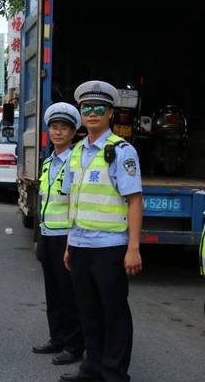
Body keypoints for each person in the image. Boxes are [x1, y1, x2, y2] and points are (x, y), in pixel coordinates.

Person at [59, 81, 143, 382]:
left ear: (110, 113)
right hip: (80, 245)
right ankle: (92, 366)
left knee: (114, 310)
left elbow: (134, 200)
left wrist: (133, 247)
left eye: (98, 109)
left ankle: (114, 372)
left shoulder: (121, 151)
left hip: (110, 246)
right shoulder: (76, 151)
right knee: (88, 310)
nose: (91, 114)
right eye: (86, 108)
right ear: (81, 113)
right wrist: (69, 244)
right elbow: (74, 202)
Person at [32, 103, 85, 366]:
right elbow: (44, 199)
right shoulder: (49, 161)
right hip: (48, 234)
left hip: (68, 236)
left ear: (74, 132)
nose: (58, 132)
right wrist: (39, 236)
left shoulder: (77, 161)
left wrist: (72, 241)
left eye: (64, 128)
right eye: (54, 127)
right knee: (52, 291)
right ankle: (57, 338)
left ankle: (75, 345)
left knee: (69, 294)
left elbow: (78, 202)